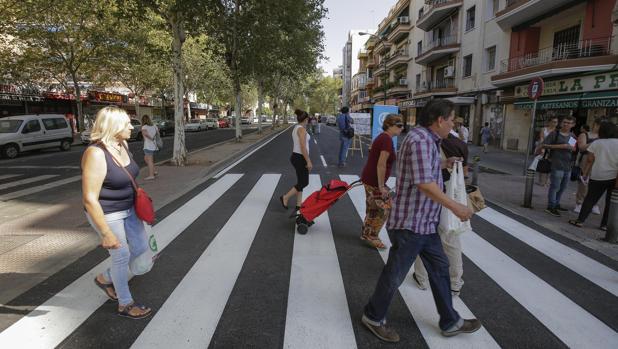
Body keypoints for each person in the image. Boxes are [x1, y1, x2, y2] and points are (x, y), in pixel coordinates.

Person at [361, 100, 480, 343]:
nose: (453, 125)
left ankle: (450, 320)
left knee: (439, 269)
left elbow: (421, 171)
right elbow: (424, 183)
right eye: (451, 120)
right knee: (394, 274)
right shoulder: (421, 141)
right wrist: (457, 206)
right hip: (411, 224)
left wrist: (444, 163)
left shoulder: (426, 140)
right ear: (439, 120)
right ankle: (373, 316)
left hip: (424, 224)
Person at [82, 106, 152, 319]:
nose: (132, 126)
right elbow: (90, 198)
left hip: (130, 209)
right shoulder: (95, 153)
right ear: (112, 126)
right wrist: (106, 233)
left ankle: (105, 278)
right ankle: (125, 303)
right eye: (127, 123)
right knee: (121, 255)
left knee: (140, 248)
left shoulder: (123, 144)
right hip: (108, 213)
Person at [412, 127, 469, 296]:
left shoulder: (431, 143)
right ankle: (455, 282)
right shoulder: (461, 145)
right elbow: (464, 174)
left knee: (426, 236)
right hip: (454, 196)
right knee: (452, 240)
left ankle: (421, 278)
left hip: (433, 194)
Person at [359, 114, 403, 250]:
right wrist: (381, 186)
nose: (402, 128)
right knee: (384, 209)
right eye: (399, 125)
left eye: (403, 126)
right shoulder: (386, 139)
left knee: (373, 208)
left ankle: (367, 233)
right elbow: (381, 164)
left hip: (370, 177)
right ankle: (372, 235)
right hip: (374, 180)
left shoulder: (383, 137)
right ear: (389, 125)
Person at [569, 121, 618, 231]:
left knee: (590, 198)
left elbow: (590, 160)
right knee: (611, 202)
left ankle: (580, 220)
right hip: (614, 177)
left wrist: (585, 173)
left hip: (598, 175)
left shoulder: (597, 143)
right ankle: (604, 225)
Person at [542, 116, 576, 217]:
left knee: (563, 187)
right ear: (561, 123)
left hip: (568, 165)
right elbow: (544, 145)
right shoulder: (555, 134)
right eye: (565, 122)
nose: (566, 124)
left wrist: (569, 147)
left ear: (573, 125)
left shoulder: (572, 136)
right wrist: (559, 146)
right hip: (556, 164)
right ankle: (551, 206)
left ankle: (556, 203)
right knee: (555, 186)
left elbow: (573, 149)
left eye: (569, 123)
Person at [280, 109, 312, 212]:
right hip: (300, 157)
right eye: (308, 119)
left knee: (300, 182)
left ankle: (299, 205)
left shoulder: (296, 128)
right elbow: (303, 147)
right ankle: (285, 197)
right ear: (306, 119)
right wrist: (308, 161)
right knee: (304, 182)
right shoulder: (301, 129)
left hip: (296, 156)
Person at [574, 119, 601, 214]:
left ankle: (594, 203)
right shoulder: (585, 135)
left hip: (599, 160)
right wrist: (596, 142)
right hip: (586, 159)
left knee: (596, 183)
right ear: (595, 125)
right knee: (584, 182)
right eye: (599, 125)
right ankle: (579, 202)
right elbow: (581, 148)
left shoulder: (604, 137)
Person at [536, 117, 559, 186]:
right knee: (543, 164)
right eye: (553, 121)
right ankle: (542, 181)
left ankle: (547, 181)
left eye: (556, 122)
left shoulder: (557, 131)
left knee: (550, 165)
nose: (555, 123)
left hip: (553, 149)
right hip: (544, 148)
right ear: (549, 122)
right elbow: (541, 138)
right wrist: (542, 148)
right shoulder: (544, 129)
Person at [141, 115, 159, 180]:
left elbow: (146, 134)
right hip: (154, 145)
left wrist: (151, 138)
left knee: (150, 160)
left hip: (148, 146)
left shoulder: (144, 127)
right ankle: (154, 171)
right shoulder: (154, 126)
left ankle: (151, 175)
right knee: (146, 158)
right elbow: (158, 134)